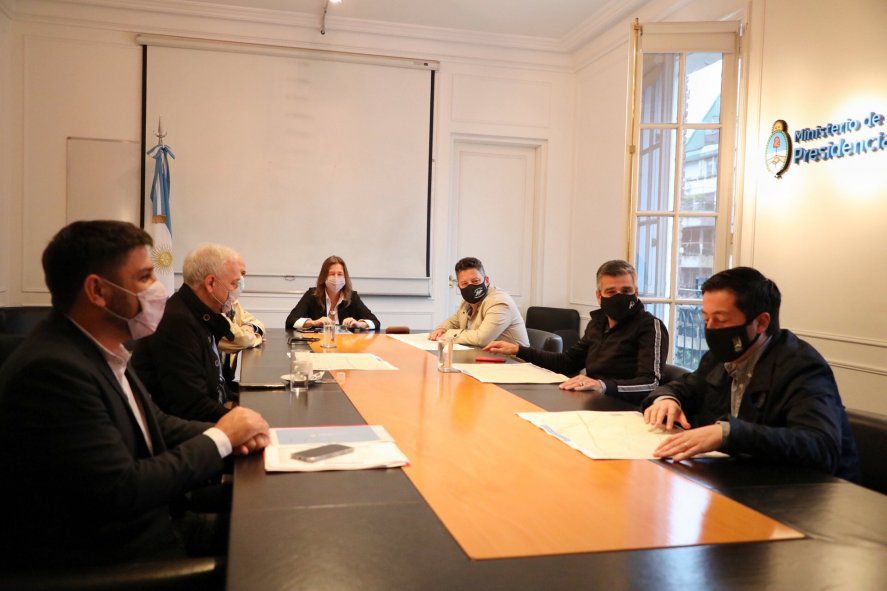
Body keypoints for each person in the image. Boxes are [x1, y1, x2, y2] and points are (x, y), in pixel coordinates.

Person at [0, 220, 270, 568]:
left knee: (271, 509)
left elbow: (156, 423)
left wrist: (238, 436)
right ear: (98, 291)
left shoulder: (101, 348)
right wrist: (222, 438)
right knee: (269, 546)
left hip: (158, 521)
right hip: (123, 557)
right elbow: (123, 489)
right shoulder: (52, 371)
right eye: (144, 277)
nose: (158, 289)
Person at [642, 267, 860, 480]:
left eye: (721, 320)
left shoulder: (802, 366)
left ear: (761, 322)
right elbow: (684, 387)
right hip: (738, 478)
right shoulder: (717, 359)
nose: (710, 328)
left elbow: (820, 446)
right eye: (706, 319)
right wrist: (666, 399)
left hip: (806, 489)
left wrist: (728, 434)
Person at [484, 260, 668, 404]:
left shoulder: (650, 326)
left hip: (626, 409)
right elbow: (568, 362)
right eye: (611, 292)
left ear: (636, 293)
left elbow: (650, 383)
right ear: (599, 296)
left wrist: (602, 385)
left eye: (626, 290)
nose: (619, 296)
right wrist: (518, 350)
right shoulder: (597, 324)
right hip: (591, 402)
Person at [132, 243, 243, 422]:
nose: (237, 291)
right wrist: (242, 420)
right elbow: (192, 407)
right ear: (210, 283)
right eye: (233, 283)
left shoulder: (199, 314)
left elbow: (215, 385)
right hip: (185, 429)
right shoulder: (177, 322)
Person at [429, 257, 529, 348]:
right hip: (486, 356)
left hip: (513, 360)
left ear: (486, 280)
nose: (470, 287)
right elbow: (453, 322)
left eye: (475, 281)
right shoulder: (467, 302)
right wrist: (441, 329)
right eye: (464, 283)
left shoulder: (500, 302)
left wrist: (447, 334)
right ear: (459, 286)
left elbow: (482, 339)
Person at [285, 256, 380, 331]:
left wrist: (359, 324)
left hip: (345, 346)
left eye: (340, 274)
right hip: (318, 344)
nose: (336, 278)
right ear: (324, 277)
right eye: (332, 274)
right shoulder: (312, 295)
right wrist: (314, 323)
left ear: (345, 277)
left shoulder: (352, 297)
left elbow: (375, 323)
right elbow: (290, 321)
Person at [218, 255, 265, 353]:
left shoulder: (232, 301)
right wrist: (257, 337)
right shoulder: (212, 305)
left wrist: (250, 327)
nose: (240, 279)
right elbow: (243, 341)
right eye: (236, 273)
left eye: (243, 274)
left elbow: (257, 323)